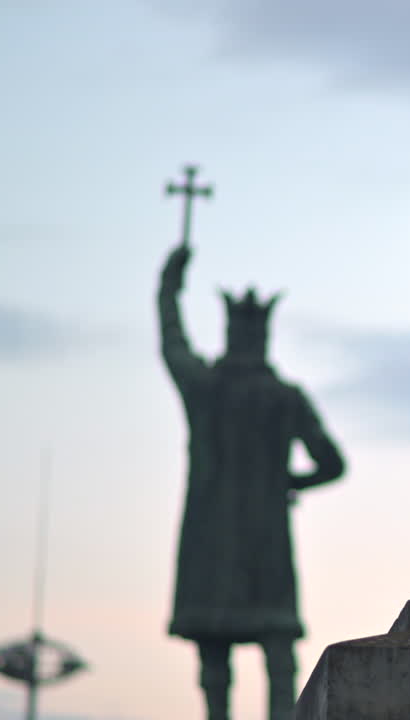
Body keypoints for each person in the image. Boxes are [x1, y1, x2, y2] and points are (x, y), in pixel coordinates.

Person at [157, 244, 345, 720]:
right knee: (277, 647)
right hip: (266, 540)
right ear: (263, 337)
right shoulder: (283, 396)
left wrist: (168, 287)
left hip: (211, 541)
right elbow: (332, 463)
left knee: (213, 651)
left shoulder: (205, 388)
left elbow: (172, 343)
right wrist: (289, 482)